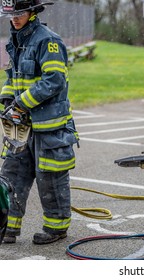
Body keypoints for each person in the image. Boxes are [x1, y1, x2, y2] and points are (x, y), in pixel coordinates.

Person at [0, 0, 79, 244]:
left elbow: (55, 79)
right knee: (12, 174)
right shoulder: (16, 40)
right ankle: (8, 228)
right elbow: (14, 75)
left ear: (33, 12)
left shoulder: (48, 41)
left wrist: (22, 102)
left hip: (49, 126)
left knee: (50, 178)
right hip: (20, 125)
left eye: (19, 13)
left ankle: (56, 229)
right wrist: (6, 98)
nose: (14, 18)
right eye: (10, 14)